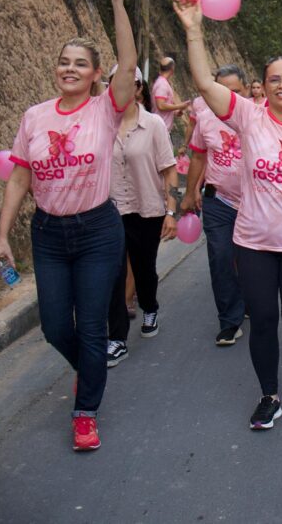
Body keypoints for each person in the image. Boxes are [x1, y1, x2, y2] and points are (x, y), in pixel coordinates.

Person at [174, 0, 282, 431]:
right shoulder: (249, 118)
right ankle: (269, 395)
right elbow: (204, 83)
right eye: (274, 79)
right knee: (265, 320)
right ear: (263, 86)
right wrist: (194, 29)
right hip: (253, 242)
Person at [0, 0, 138, 451]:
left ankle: (85, 413)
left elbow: (129, 59)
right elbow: (19, 176)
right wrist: (2, 236)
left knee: (91, 325)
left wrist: (117, 2)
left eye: (80, 64)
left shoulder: (106, 109)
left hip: (97, 230)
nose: (69, 69)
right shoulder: (35, 116)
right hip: (48, 233)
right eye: (63, 63)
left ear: (97, 74)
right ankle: (89, 370)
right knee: (55, 326)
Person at [105, 65, 178, 367]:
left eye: (129, 83)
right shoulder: (100, 123)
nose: (122, 88)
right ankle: (117, 337)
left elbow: (169, 168)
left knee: (144, 268)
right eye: (115, 83)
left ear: (139, 88)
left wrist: (171, 211)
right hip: (108, 211)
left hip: (147, 209)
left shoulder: (154, 125)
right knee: (113, 274)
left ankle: (150, 307)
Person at [183, 65, 250, 346]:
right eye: (223, 91)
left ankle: (248, 300)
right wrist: (189, 193)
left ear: (246, 91)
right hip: (218, 200)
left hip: (255, 205)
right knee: (221, 258)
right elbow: (198, 157)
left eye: (235, 91)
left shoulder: (258, 117)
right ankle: (229, 321)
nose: (229, 98)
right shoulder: (206, 119)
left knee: (248, 262)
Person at [151, 56, 192, 132]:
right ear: (172, 69)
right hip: (160, 128)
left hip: (162, 127)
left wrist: (177, 111)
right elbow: (161, 106)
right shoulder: (162, 84)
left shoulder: (163, 83)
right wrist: (180, 105)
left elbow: (164, 105)